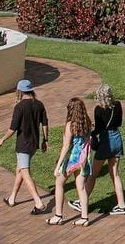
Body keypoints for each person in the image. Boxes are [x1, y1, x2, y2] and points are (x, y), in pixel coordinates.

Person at [69, 84, 125, 216]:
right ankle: (122, 205)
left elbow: (99, 129)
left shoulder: (98, 109)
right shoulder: (117, 105)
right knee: (115, 174)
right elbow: (119, 123)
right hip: (117, 138)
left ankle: (81, 202)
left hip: (106, 141)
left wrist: (92, 129)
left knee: (92, 175)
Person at [0, 78, 49, 213]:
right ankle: (12, 198)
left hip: (23, 144)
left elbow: (12, 129)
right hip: (34, 144)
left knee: (25, 172)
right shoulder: (39, 104)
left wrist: (2, 139)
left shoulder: (19, 107)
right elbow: (45, 123)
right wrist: (45, 140)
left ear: (20, 91)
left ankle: (38, 203)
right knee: (20, 169)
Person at [45, 97, 92, 226]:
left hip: (71, 159)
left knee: (59, 184)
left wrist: (58, 165)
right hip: (83, 159)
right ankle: (84, 217)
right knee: (81, 188)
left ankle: (58, 215)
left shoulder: (70, 125)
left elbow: (66, 146)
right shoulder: (87, 122)